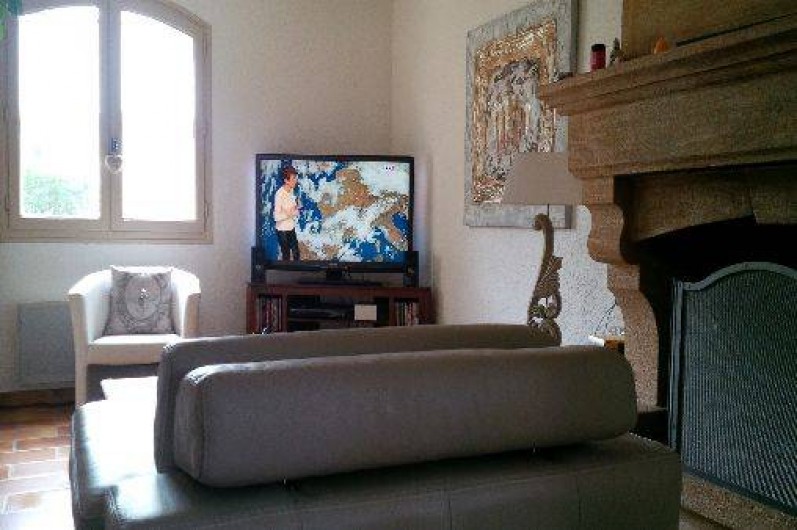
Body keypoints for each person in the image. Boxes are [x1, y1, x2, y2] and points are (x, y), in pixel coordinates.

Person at [274, 166, 301, 260]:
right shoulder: (279, 194)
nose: (296, 181)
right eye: (293, 179)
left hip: (291, 228)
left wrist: (297, 206)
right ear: (286, 180)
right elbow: (276, 217)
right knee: (286, 256)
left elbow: (291, 208)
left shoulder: (291, 190)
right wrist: (292, 213)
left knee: (296, 254)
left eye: (295, 178)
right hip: (282, 231)